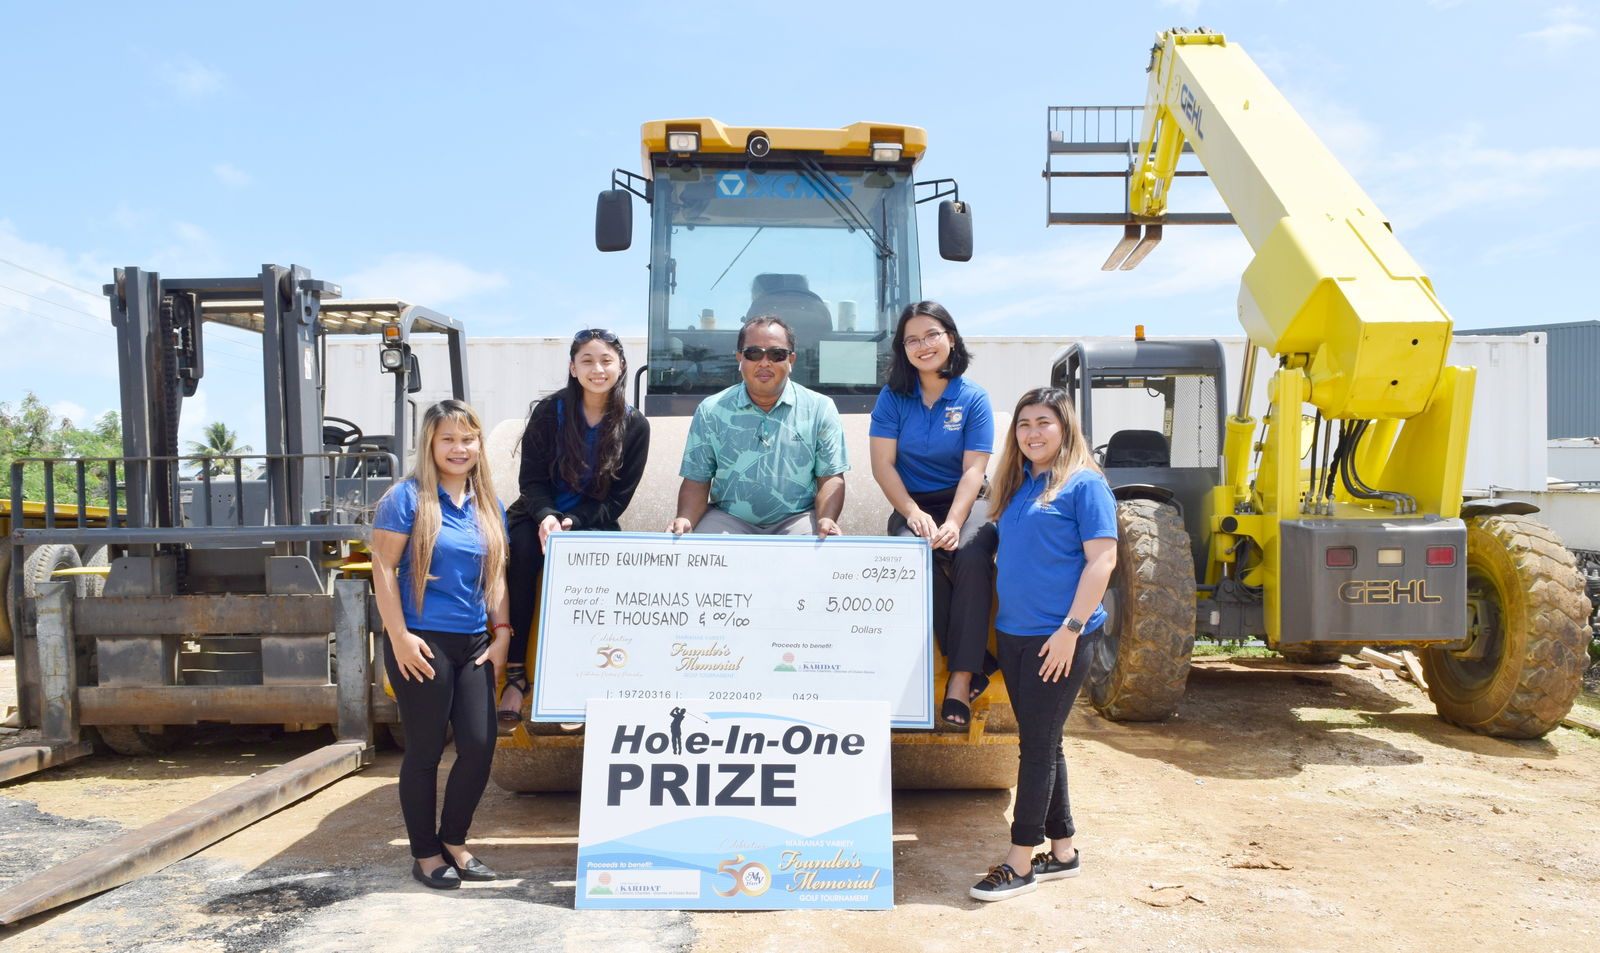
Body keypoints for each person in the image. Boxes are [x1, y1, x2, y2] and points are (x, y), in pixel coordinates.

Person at [968, 386, 1117, 902]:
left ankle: (1019, 859)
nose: (1032, 432)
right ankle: (1064, 851)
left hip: (1059, 637)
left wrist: (1069, 632)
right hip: (1015, 633)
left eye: (1043, 423)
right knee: (1046, 741)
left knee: (1035, 747)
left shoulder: (1084, 485)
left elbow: (1102, 561)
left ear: (1065, 428)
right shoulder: (1019, 484)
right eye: (1024, 424)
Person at [371, 399, 510, 890]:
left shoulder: (487, 504)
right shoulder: (406, 499)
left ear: (478, 445)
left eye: (467, 439)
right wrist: (400, 637)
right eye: (448, 439)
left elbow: (494, 577)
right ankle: (426, 853)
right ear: (430, 444)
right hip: (421, 640)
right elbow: (382, 569)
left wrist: (502, 635)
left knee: (478, 745)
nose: (459, 448)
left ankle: (454, 839)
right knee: (426, 750)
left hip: (474, 642)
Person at [498, 328, 650, 723]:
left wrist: (573, 521)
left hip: (591, 521)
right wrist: (547, 516)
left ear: (620, 367)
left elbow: (617, 500)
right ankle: (515, 676)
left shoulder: (635, 425)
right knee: (523, 557)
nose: (597, 369)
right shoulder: (551, 412)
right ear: (572, 367)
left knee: (596, 573)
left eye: (606, 361)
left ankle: (584, 680)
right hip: (538, 515)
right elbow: (530, 480)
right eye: (587, 361)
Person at [869, 301, 997, 728]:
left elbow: (974, 470)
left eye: (931, 335)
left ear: (951, 338)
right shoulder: (892, 397)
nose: (923, 345)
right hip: (913, 502)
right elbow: (882, 465)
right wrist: (912, 513)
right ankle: (977, 659)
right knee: (913, 560)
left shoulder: (974, 397)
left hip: (967, 500)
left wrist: (955, 523)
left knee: (971, 555)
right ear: (902, 349)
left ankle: (960, 680)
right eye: (912, 339)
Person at [667, 314, 847, 538]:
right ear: (739, 358)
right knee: (698, 553)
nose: (764, 363)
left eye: (776, 354)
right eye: (754, 354)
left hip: (798, 520)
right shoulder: (711, 410)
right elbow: (697, 479)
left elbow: (830, 477)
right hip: (727, 519)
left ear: (791, 361)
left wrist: (826, 519)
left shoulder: (821, 408)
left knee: (816, 553)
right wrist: (684, 518)